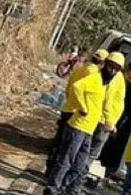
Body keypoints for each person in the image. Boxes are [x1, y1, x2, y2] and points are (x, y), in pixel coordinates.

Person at [40, 52, 121, 195]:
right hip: (77, 126)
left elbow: (103, 106)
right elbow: (76, 88)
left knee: (79, 165)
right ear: (105, 64)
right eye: (111, 66)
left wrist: (109, 124)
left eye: (117, 69)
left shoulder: (104, 84)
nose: (113, 71)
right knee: (65, 161)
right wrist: (82, 107)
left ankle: (60, 192)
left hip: (89, 130)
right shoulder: (94, 77)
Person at [82, 58, 131, 190]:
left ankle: (77, 179)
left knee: (91, 153)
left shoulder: (122, 82)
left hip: (106, 122)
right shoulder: (118, 80)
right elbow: (108, 101)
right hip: (103, 122)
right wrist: (110, 123)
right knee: (91, 153)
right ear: (127, 69)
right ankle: (77, 180)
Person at [45, 49, 107, 179]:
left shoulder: (80, 69)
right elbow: (78, 89)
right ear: (102, 63)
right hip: (77, 114)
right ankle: (55, 178)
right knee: (68, 150)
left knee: (59, 143)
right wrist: (82, 107)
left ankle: (49, 170)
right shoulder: (93, 74)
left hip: (68, 109)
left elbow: (68, 90)